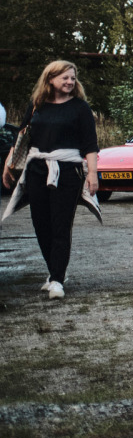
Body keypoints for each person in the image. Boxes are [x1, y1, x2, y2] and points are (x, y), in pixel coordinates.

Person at [1, 60, 101, 299]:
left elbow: (90, 144)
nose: (69, 82)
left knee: (60, 225)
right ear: (50, 79)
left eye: (72, 78)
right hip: (36, 170)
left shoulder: (80, 108)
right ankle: (55, 270)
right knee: (40, 224)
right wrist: (9, 164)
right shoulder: (37, 106)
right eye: (64, 77)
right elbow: (22, 137)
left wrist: (92, 173)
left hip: (67, 172)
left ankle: (57, 279)